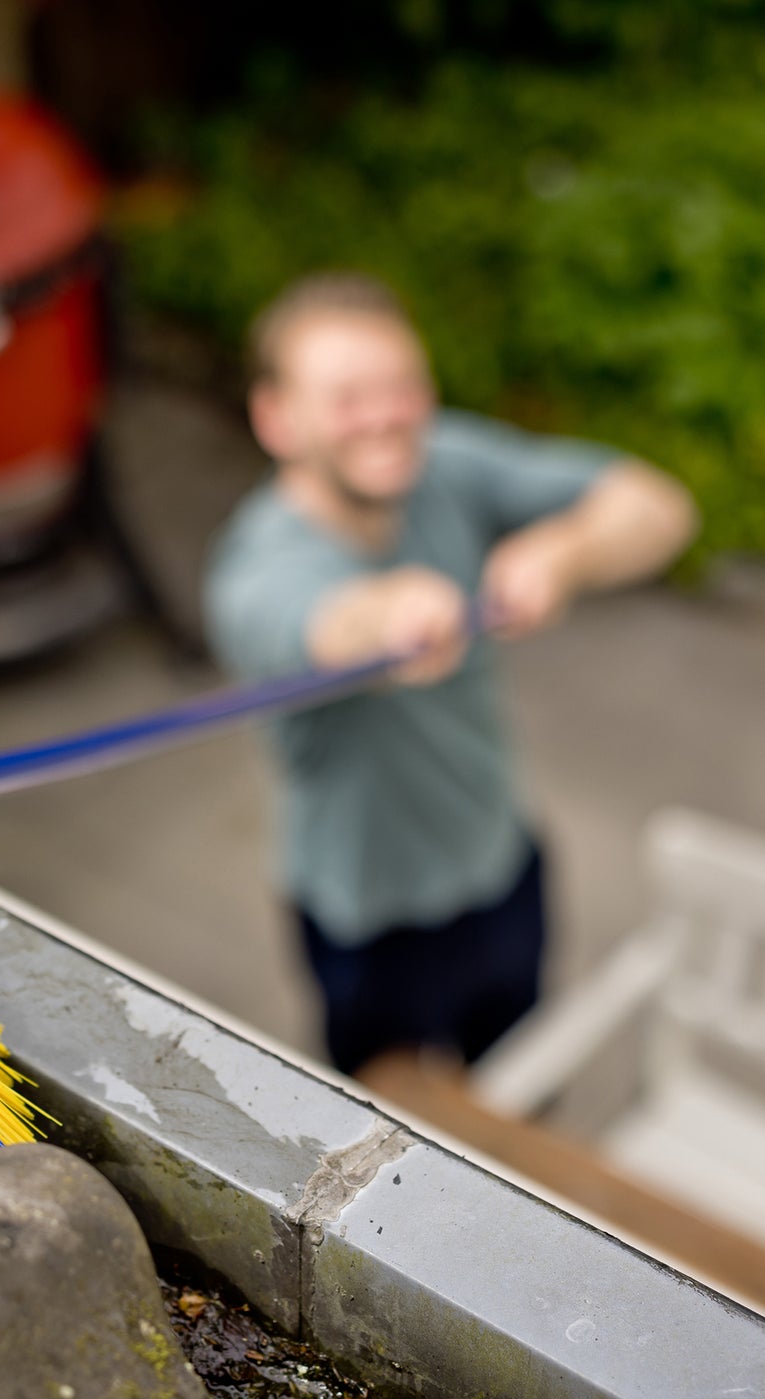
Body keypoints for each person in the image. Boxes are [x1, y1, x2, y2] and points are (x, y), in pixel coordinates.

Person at [203, 272, 698, 1077]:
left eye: (401, 386)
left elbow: (659, 507)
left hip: (500, 859)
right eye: (347, 395)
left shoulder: (442, 461)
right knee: (389, 1126)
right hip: (365, 919)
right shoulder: (253, 568)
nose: (384, 416)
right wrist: (391, 613)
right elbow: (323, 623)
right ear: (275, 418)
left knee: (525, 1080)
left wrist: (562, 553)